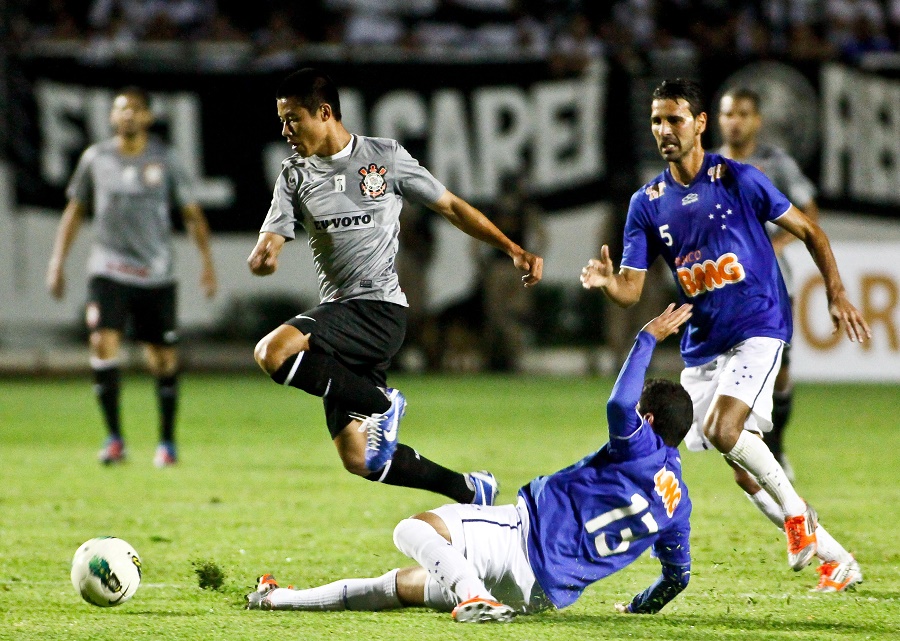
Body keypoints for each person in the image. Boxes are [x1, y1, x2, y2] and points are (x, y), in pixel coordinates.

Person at [581, 78, 870, 592]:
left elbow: (811, 230)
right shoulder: (646, 203)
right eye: (656, 120)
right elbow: (630, 290)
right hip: (705, 343)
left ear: (699, 124)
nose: (664, 130)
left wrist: (836, 292)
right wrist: (608, 284)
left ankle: (797, 512)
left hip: (760, 323)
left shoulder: (738, 179)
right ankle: (838, 559)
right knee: (736, 467)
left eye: (674, 119)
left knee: (724, 431)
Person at [246, 304, 695, 622]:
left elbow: (619, 405)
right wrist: (640, 607)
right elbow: (678, 577)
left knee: (412, 530)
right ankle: (277, 600)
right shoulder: (679, 505)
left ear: (649, 419)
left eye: (642, 411)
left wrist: (646, 339)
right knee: (396, 587)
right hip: (541, 596)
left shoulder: (640, 445)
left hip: (520, 543)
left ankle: (472, 594)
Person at [247, 68, 543, 505]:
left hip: (378, 308)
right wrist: (263, 255)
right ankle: (469, 489)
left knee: (271, 352)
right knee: (361, 459)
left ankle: (381, 404)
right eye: (281, 121)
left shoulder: (382, 157)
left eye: (293, 119)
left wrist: (511, 247)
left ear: (324, 112)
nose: (285, 131)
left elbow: (452, 207)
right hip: (341, 312)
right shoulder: (294, 176)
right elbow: (270, 237)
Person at [46, 86, 217, 467]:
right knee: (102, 342)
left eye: (135, 110)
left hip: (156, 272)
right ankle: (114, 440)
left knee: (161, 359)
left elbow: (191, 213)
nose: (127, 115)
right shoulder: (96, 158)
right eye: (120, 109)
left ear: (148, 118)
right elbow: (75, 210)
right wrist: (57, 260)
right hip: (108, 269)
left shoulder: (165, 159)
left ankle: (167, 442)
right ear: (111, 117)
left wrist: (206, 262)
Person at [717, 86, 821, 482]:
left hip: (772, 283)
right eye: (729, 113)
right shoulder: (708, 165)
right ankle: (742, 448)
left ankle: (775, 450)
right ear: (718, 119)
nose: (736, 121)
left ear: (757, 120)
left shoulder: (774, 164)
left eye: (743, 113)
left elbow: (808, 210)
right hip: (723, 286)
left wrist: (777, 243)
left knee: (780, 371)